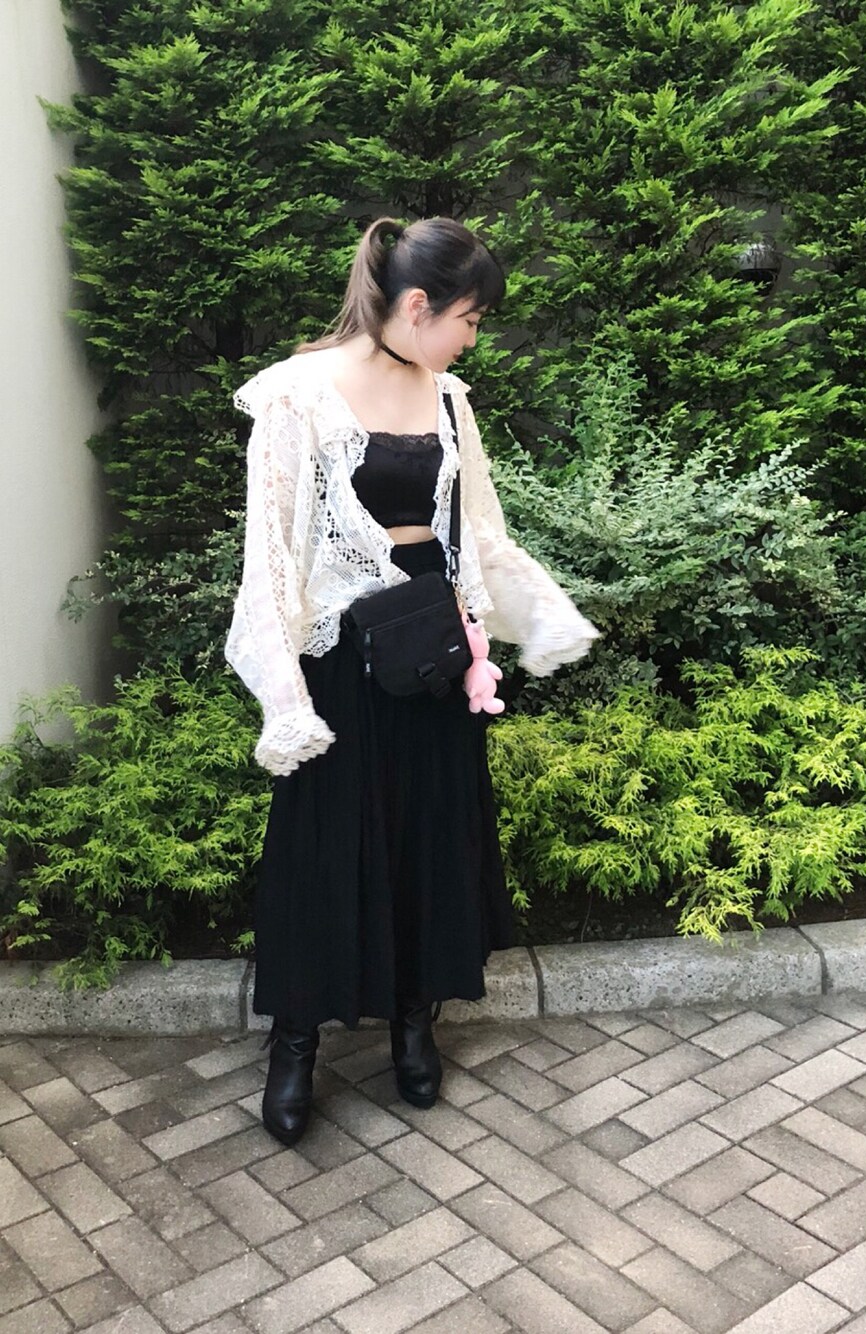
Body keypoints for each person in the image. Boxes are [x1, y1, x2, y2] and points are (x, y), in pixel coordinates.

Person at [225, 216, 598, 1145]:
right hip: (340, 659)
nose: (473, 338)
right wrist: (284, 699)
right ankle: (296, 1043)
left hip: (431, 648)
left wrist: (541, 620)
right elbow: (269, 559)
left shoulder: (449, 398)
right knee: (324, 847)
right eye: (470, 318)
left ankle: (412, 1020)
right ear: (419, 304)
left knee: (428, 834)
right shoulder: (296, 395)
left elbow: (483, 531)